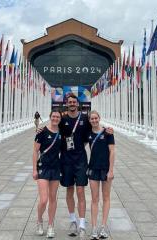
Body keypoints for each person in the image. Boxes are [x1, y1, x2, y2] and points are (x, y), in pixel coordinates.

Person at [58, 94, 113, 240]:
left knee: (81, 191)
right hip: (66, 160)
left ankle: (82, 224)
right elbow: (52, 127)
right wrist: (39, 130)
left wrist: (108, 129)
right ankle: (72, 222)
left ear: (78, 103)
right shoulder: (62, 119)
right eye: (69, 102)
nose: (71, 104)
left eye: (74, 102)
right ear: (66, 103)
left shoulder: (84, 119)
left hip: (81, 160)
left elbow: (96, 127)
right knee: (69, 190)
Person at [32, 109, 62, 238]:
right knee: (43, 200)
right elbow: (35, 151)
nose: (55, 118)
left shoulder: (63, 133)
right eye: (53, 116)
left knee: (53, 198)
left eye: (57, 117)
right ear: (50, 117)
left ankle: (50, 225)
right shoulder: (42, 132)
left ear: (60, 119)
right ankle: (39, 220)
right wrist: (34, 169)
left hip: (56, 168)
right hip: (43, 167)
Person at [87, 111, 115, 240]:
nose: (94, 120)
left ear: (99, 118)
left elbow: (112, 152)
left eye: (95, 118)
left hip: (105, 169)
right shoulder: (88, 133)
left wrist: (111, 170)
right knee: (94, 199)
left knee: (106, 198)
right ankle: (93, 228)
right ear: (89, 120)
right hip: (93, 168)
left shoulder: (108, 133)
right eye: (91, 119)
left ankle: (103, 227)